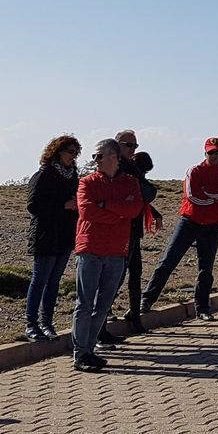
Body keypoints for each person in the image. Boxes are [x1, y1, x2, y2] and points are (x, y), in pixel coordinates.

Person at [142, 137, 218, 320]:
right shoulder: (194, 171)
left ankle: (202, 308)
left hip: (212, 225)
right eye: (211, 152)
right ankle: (147, 299)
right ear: (205, 153)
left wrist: (209, 193)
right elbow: (193, 196)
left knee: (206, 269)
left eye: (217, 152)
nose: (214, 155)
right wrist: (216, 197)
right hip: (189, 221)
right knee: (168, 260)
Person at [73, 139, 145, 373]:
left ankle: (90, 349)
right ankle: (80, 353)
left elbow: (134, 210)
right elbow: (87, 211)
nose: (95, 161)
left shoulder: (131, 183)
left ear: (114, 157)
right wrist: (117, 213)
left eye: (99, 156)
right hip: (90, 249)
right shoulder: (87, 183)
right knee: (84, 304)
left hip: (116, 251)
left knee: (102, 306)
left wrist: (107, 205)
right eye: (94, 156)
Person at [24, 134, 81, 342]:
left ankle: (47, 323)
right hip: (46, 235)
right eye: (70, 152)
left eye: (76, 153)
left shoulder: (73, 175)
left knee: (54, 281)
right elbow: (33, 206)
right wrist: (62, 206)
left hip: (65, 235)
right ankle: (31, 325)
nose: (73, 157)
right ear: (57, 152)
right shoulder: (43, 175)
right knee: (40, 279)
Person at [114, 129, 162, 336]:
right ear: (117, 145)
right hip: (120, 229)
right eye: (128, 145)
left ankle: (134, 313)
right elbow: (144, 192)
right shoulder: (117, 168)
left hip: (133, 228)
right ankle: (105, 312)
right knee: (118, 272)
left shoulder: (131, 166)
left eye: (135, 146)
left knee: (135, 271)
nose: (132, 149)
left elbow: (145, 193)